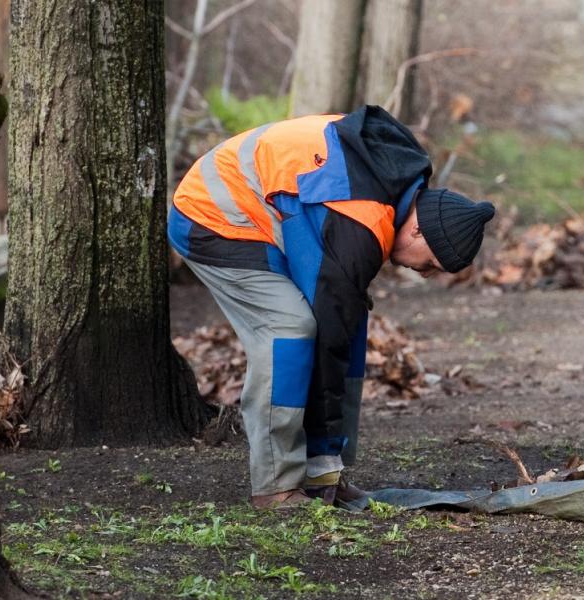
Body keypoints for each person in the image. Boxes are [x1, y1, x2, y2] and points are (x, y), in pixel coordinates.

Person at [168, 105, 495, 510]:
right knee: (290, 331)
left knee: (348, 321)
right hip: (213, 215)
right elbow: (326, 330)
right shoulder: (358, 224)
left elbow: (340, 325)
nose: (425, 274)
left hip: (259, 211)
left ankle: (324, 473)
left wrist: (327, 464)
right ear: (417, 229)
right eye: (431, 263)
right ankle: (275, 486)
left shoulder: (398, 180)